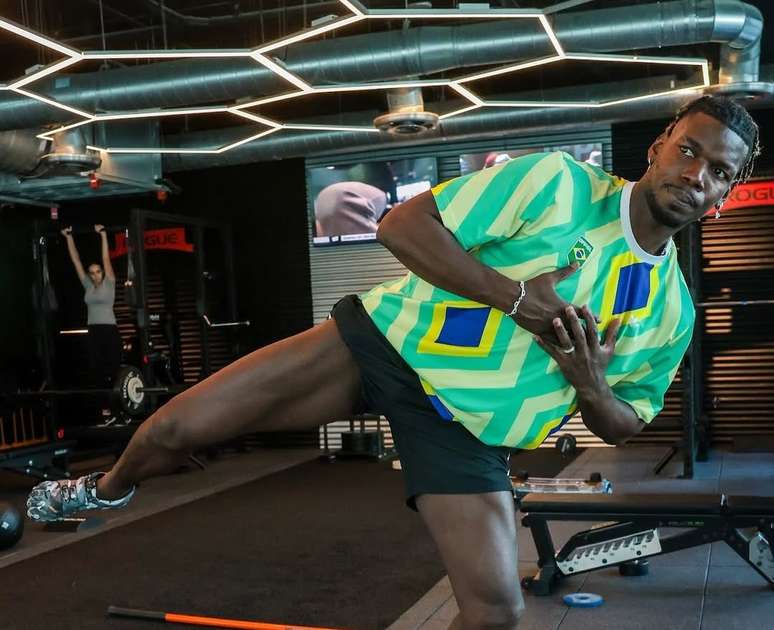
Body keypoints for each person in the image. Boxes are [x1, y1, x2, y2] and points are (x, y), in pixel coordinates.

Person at [29, 95, 760, 629]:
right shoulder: (557, 183)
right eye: (689, 150)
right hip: (382, 344)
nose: (698, 173)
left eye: (719, 171)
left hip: (468, 430)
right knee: (172, 432)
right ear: (660, 145)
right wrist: (516, 301)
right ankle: (107, 488)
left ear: (726, 195)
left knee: (496, 612)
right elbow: (401, 223)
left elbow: (627, 421)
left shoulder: (670, 310)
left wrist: (589, 386)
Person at [61, 224, 122, 421]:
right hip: (94, 331)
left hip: (109, 330)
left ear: (103, 273)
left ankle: (117, 408)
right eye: (92, 272)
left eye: (98, 271)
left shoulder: (110, 283)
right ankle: (104, 411)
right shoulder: (87, 284)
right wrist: (68, 237)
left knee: (112, 370)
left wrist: (103, 235)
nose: (95, 274)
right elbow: (76, 261)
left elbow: (106, 258)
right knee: (97, 371)